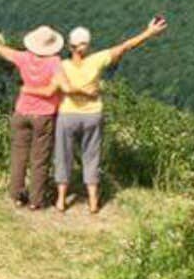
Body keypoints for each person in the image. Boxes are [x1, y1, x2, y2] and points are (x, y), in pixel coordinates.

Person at [48, 16, 168, 214]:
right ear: (86, 46)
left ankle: (61, 200)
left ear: (70, 46)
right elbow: (125, 47)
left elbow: (59, 88)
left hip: (67, 115)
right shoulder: (96, 60)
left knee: (63, 156)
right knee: (91, 156)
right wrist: (149, 32)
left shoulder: (61, 66)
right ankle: (93, 201)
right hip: (92, 115)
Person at [0, 20, 64, 210]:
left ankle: (16, 196)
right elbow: (50, 91)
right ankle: (36, 201)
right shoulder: (55, 63)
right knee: (39, 159)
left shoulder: (24, 58)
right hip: (43, 115)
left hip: (21, 112)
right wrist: (33, 89)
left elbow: (1, 50)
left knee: (18, 156)